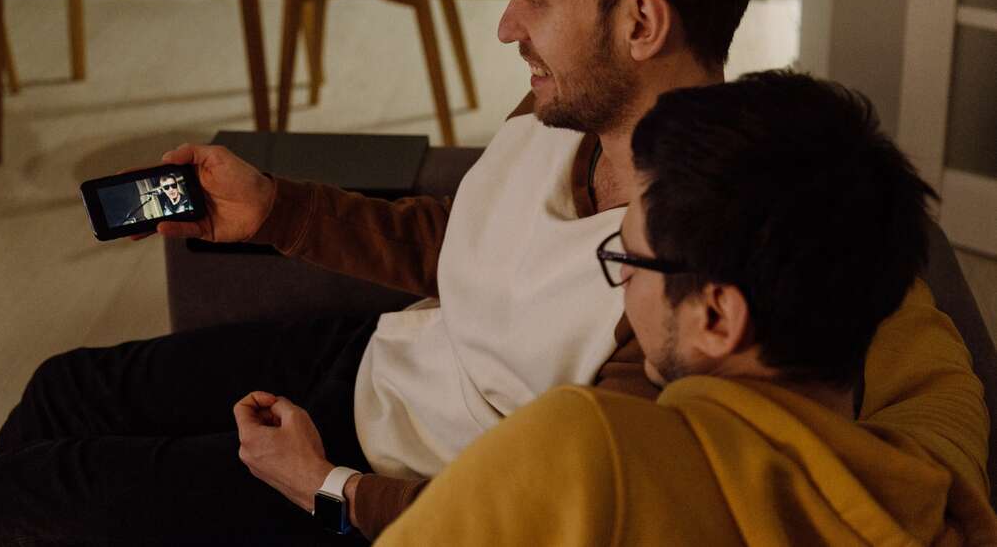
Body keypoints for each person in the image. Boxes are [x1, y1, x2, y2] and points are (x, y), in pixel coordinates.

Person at [0, 0, 977, 544]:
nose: (507, 24)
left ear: (641, 22)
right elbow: (463, 243)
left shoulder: (693, 263)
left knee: (22, 498)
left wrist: (326, 485)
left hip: (398, 476)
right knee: (66, 386)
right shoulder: (558, 105)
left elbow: (520, 518)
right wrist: (275, 210)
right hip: (386, 359)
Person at [375, 71, 997, 545]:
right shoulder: (938, 462)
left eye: (629, 259)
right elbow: (913, 322)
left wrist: (323, 485)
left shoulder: (588, 451)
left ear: (718, 319)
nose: (622, 285)